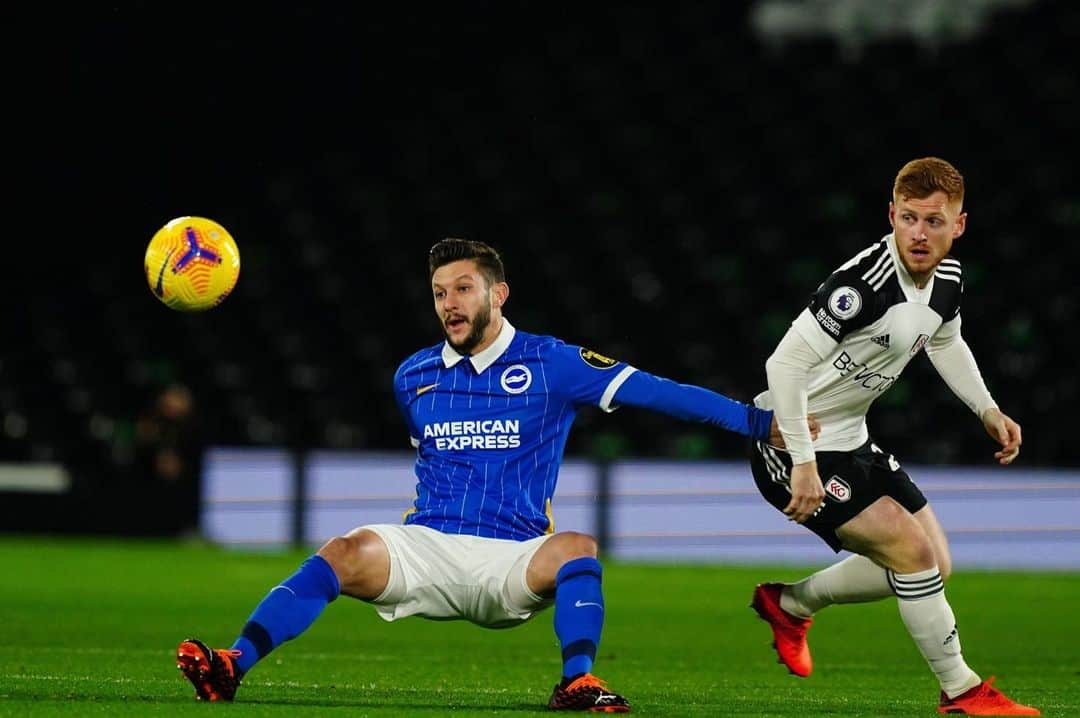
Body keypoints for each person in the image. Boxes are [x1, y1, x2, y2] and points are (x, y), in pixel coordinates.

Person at [176, 237, 818, 712]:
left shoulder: (555, 364)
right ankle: (233, 664)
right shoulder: (413, 375)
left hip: (510, 560)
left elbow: (660, 393)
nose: (448, 303)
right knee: (342, 552)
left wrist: (759, 424)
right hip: (428, 546)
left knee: (576, 548)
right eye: (437, 293)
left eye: (461, 288)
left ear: (496, 293)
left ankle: (577, 682)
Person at [747, 157, 1039, 716]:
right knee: (911, 552)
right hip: (788, 445)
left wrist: (986, 408)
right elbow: (782, 365)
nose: (919, 234)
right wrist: (803, 462)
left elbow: (945, 341)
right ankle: (961, 690)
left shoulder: (948, 280)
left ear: (959, 225)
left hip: (852, 440)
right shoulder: (863, 285)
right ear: (891, 215)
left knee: (934, 564)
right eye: (909, 218)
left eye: (934, 221)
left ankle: (790, 603)